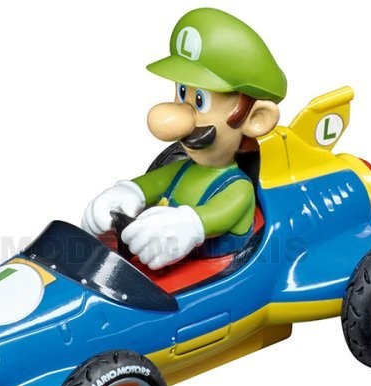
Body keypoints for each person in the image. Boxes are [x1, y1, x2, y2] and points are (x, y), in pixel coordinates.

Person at [82, 7, 287, 270]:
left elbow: (216, 214)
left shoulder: (238, 189)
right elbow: (152, 183)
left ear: (256, 118)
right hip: (161, 265)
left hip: (213, 273)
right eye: (182, 93)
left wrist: (189, 225)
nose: (179, 117)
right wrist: (127, 192)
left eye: (200, 101)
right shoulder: (183, 169)